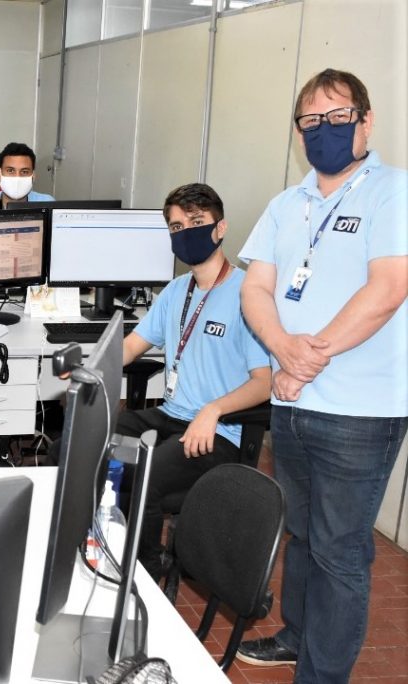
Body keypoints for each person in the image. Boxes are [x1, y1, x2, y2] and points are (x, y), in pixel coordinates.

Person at [236, 69, 408, 681]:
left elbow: (388, 289)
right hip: (292, 402)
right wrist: (283, 349)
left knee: (340, 552)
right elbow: (255, 288)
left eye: (339, 117)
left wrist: (306, 359)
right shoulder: (287, 204)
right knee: (303, 536)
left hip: (360, 412)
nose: (324, 129)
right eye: (311, 120)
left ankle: (322, 674)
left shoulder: (393, 191)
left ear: (366, 121)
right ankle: (296, 636)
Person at [112, 183, 271, 580]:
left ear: (221, 228)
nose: (186, 233)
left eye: (197, 222)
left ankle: (146, 571)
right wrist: (88, 368)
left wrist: (213, 410)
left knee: (144, 474)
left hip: (218, 432)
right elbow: (130, 347)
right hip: (170, 415)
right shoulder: (175, 290)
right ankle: (102, 543)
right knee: (83, 441)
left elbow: (264, 383)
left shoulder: (247, 294)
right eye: (177, 227)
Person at [0, 142, 54, 206]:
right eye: (10, 171)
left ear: (33, 176)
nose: (17, 177)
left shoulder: (47, 203)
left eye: (24, 172)